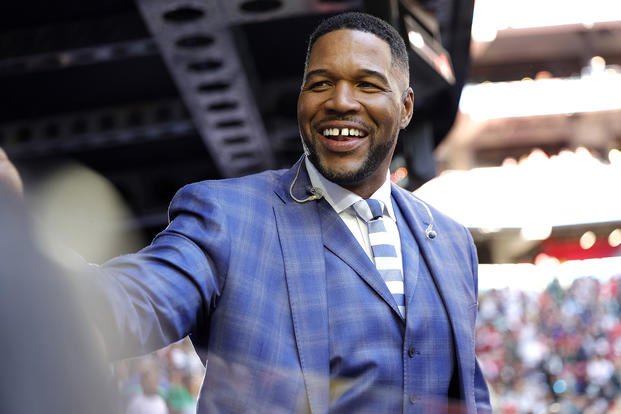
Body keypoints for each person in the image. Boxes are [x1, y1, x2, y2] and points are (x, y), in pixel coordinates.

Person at [0, 11, 491, 413]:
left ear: (405, 107)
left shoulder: (449, 242)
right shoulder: (228, 217)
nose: (340, 102)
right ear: (301, 99)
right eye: (320, 83)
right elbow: (131, 302)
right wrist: (24, 257)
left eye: (366, 85)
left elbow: (469, 394)